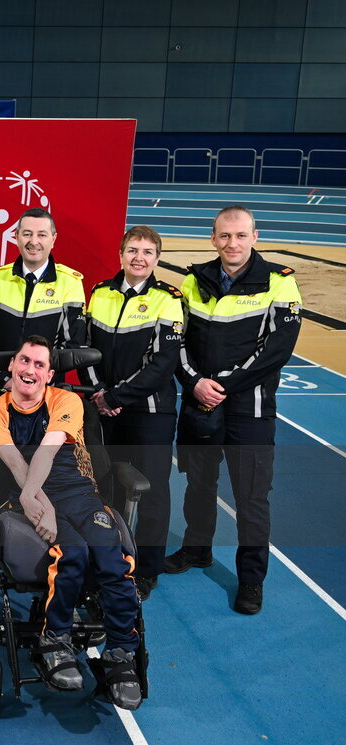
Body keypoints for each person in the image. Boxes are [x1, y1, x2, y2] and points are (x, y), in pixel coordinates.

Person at [0, 336, 142, 710]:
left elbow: (49, 450)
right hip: (28, 494)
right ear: (12, 367)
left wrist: (41, 502)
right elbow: (16, 465)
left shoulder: (67, 401)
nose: (30, 369)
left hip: (79, 493)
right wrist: (39, 503)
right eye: (24, 361)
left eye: (39, 364)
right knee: (72, 554)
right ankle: (55, 639)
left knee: (111, 559)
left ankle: (120, 653)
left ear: (49, 374)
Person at [165, 205, 302, 615]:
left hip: (250, 409)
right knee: (199, 484)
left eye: (241, 235)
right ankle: (197, 548)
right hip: (200, 402)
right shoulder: (193, 281)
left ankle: (251, 580)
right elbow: (177, 341)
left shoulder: (279, 284)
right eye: (225, 236)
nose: (233, 243)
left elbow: (277, 350)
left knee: (252, 499)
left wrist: (223, 385)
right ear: (213, 239)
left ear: (255, 237)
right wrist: (194, 384)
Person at [81, 226, 183, 600]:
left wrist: (117, 395)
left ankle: (147, 571)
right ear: (121, 253)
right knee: (107, 485)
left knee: (152, 490)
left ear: (157, 258)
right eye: (133, 250)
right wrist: (99, 394)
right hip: (106, 410)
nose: (140, 257)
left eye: (148, 252)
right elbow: (87, 350)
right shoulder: (101, 293)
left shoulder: (168, 299)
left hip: (151, 413)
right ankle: (110, 557)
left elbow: (162, 364)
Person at [0, 207, 86, 384]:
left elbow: (71, 346)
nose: (33, 241)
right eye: (27, 234)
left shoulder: (70, 284)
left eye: (42, 235)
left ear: (53, 239)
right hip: (1, 388)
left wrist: (36, 381)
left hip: (47, 391)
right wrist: (5, 379)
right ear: (16, 236)